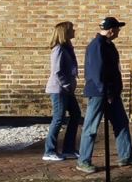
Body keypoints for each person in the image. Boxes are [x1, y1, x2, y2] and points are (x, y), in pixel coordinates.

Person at [76, 17, 132, 174]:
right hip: (99, 93)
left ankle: (126, 155)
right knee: (91, 127)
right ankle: (83, 160)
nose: (119, 32)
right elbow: (95, 72)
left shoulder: (108, 45)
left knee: (121, 122)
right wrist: (105, 92)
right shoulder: (96, 46)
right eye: (118, 29)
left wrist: (115, 90)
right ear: (111, 30)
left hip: (111, 92)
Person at [43, 21, 81, 161]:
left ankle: (69, 149)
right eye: (72, 28)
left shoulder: (67, 48)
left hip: (67, 90)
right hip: (59, 90)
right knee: (58, 118)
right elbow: (57, 72)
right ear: (64, 32)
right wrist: (66, 85)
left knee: (76, 114)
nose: (74, 30)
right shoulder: (58, 49)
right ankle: (49, 151)